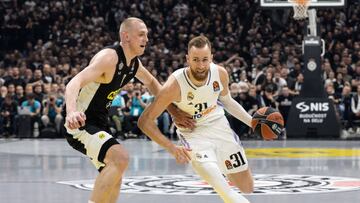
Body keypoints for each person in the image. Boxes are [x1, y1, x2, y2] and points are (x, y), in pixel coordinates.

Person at [63, 17, 194, 203]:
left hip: (99, 124)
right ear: (126, 37)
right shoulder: (109, 58)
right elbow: (73, 82)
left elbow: (152, 83)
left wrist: (174, 112)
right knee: (120, 158)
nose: (146, 39)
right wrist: (71, 112)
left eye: (147, 35)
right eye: (141, 35)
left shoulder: (133, 64)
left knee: (115, 176)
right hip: (82, 122)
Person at [138, 35, 254, 203]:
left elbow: (227, 102)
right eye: (195, 60)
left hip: (220, 127)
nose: (200, 66)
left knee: (247, 187)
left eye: (205, 60)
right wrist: (171, 147)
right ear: (187, 59)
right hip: (193, 134)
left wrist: (253, 122)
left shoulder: (220, 73)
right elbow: (144, 121)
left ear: (211, 58)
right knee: (222, 186)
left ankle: (224, 169)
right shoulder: (174, 85)